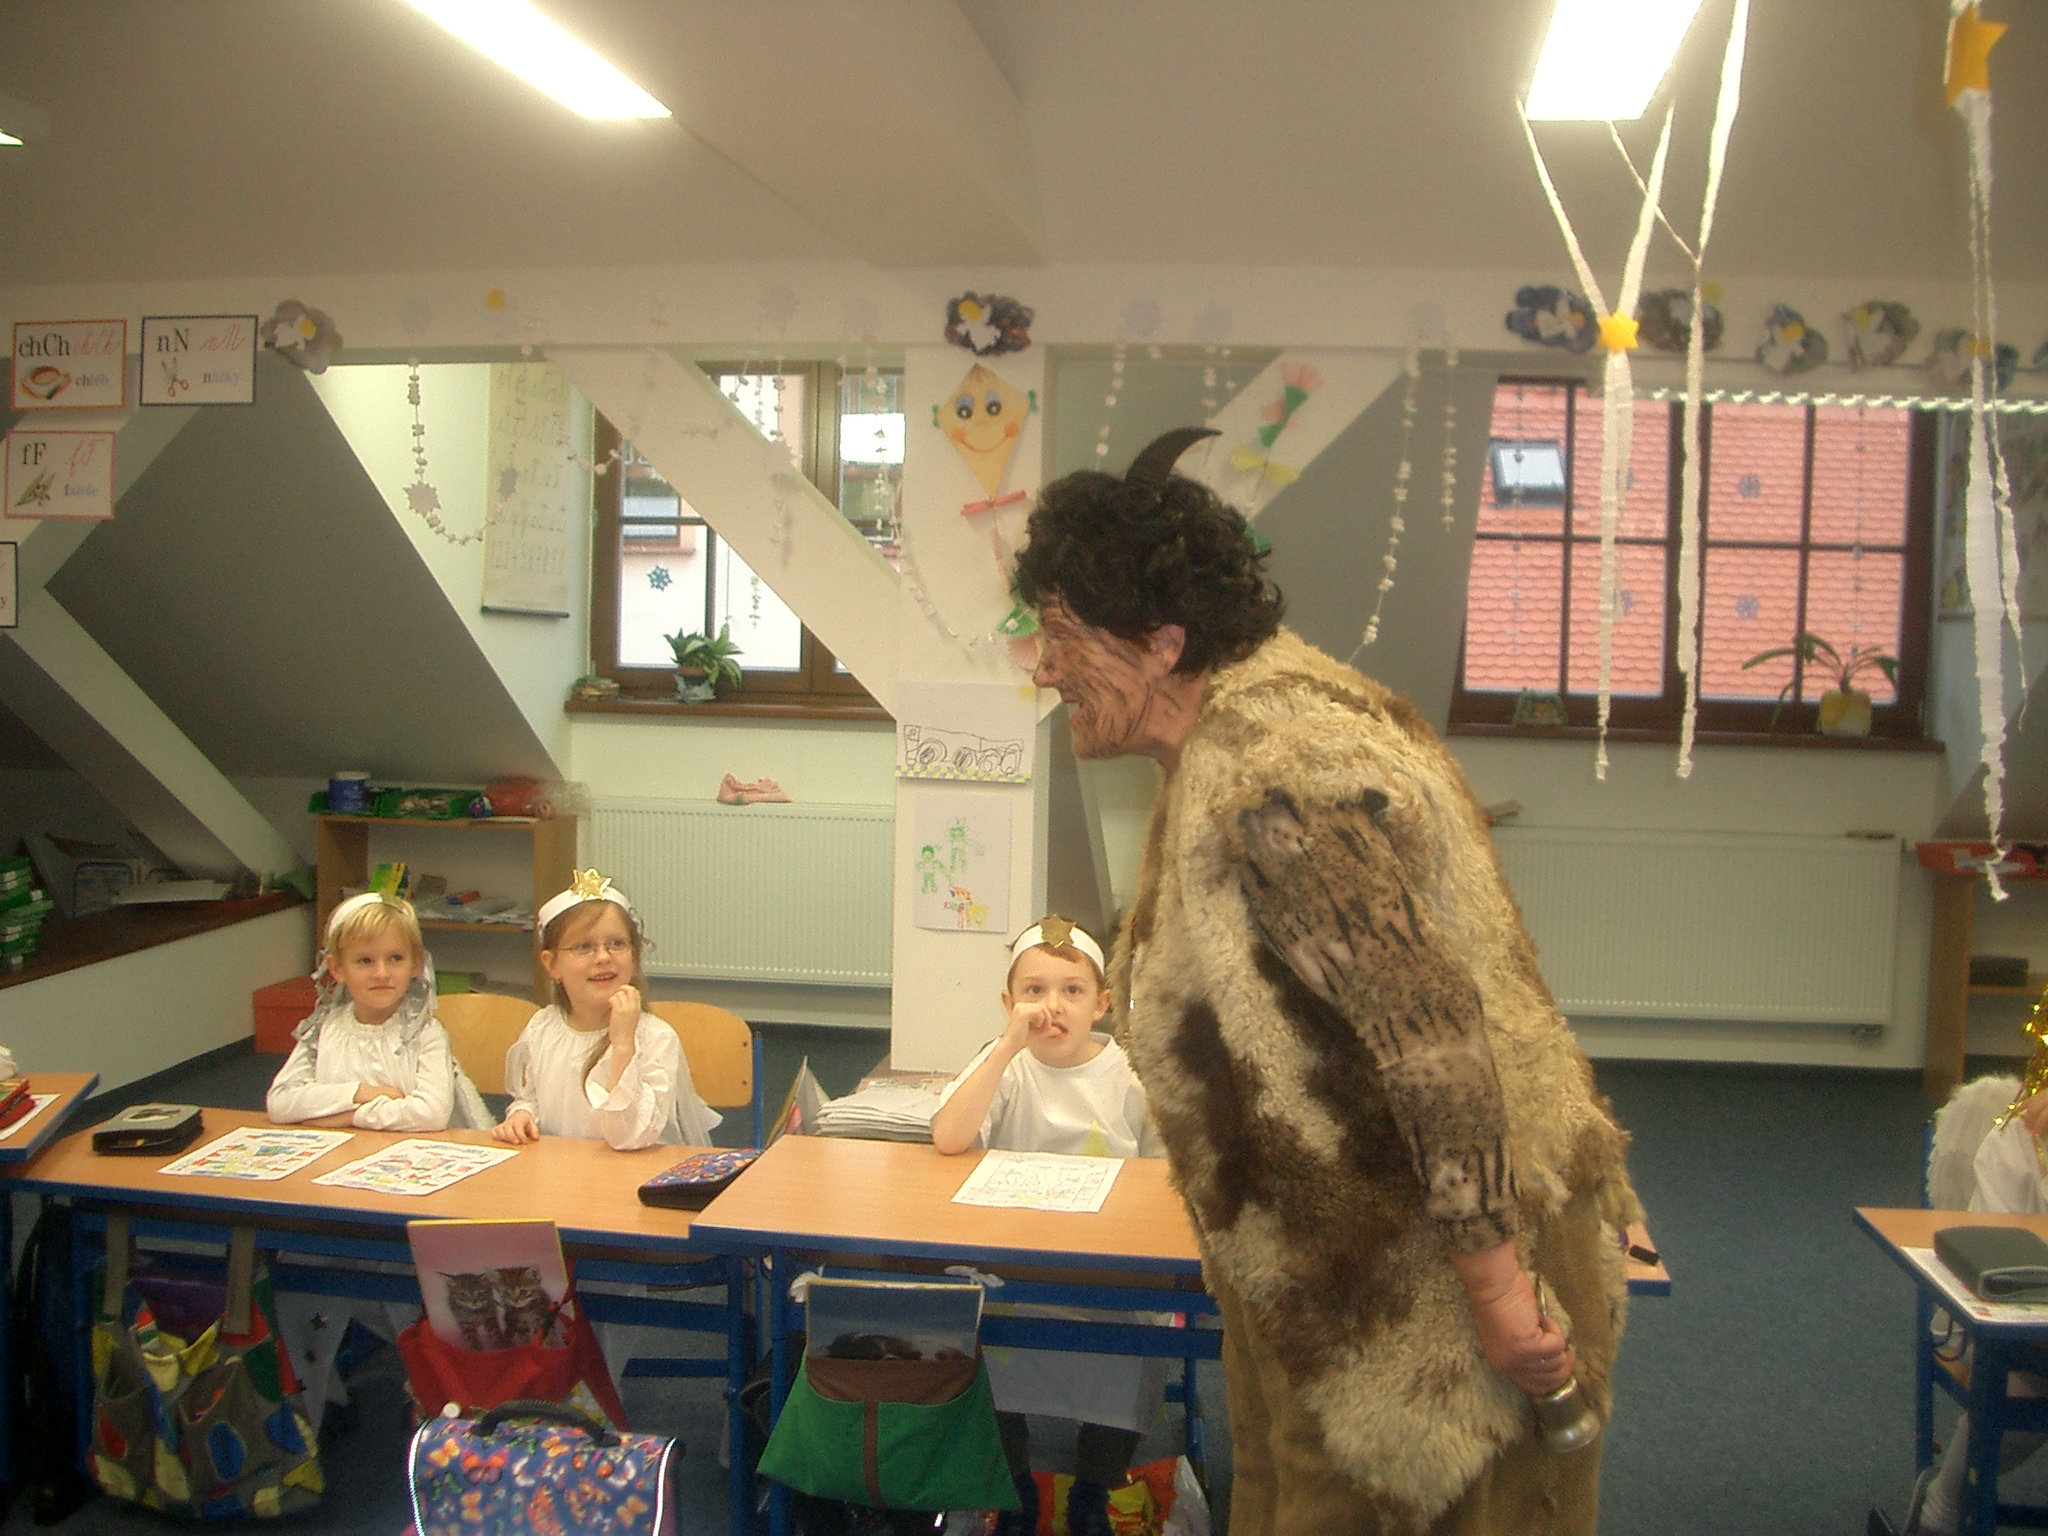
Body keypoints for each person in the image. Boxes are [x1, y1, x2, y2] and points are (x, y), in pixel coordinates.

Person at [1006, 427, 1641, 1535]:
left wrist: (1498, 1293)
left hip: (1431, 1277)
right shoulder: (1232, 735)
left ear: (1160, 643)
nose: (1042, 666)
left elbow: (1428, 1039)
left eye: (1061, 635)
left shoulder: (1278, 777)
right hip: (1332, 1267)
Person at [930, 916, 1164, 1536]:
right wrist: (1005, 1048)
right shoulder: (1007, 1066)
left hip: (1106, 1270)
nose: (1051, 1008)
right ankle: (1013, 1488)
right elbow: (949, 1137)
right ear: (1009, 1003)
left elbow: (1165, 1177)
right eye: (1033, 991)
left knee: (1132, 1350)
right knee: (983, 1343)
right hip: (1015, 1265)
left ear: (1102, 1004)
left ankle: (1095, 1485)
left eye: (1071, 991)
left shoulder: (1129, 1076)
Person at [1889, 1073, 2048, 1535]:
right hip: (2014, 1334)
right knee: (2026, 1382)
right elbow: (1996, 1270)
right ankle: (1943, 1503)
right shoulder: (2018, 1139)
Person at [492, 868, 719, 1151]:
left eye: (617, 944)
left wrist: (623, 1045)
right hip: (559, 1168)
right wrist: (522, 1115)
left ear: (634, 955)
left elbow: (630, 1136)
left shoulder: (655, 1038)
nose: (603, 957)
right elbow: (532, 1097)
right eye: (584, 947)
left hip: (633, 1170)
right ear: (552, 965)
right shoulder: (542, 1027)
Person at [267, 891, 489, 1132]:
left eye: (395, 958)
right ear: (337, 968)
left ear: (415, 964)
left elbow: (431, 1114)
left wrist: (352, 1116)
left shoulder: (423, 1033)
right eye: (365, 961)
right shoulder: (323, 1031)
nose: (381, 973)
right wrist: (360, 1093)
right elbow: (280, 1102)